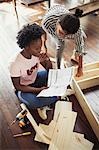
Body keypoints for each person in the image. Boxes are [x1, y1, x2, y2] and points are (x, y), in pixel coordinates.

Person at [9, 23, 58, 120]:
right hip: (23, 88)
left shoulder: (36, 54)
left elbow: (49, 70)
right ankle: (46, 101)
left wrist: (46, 61)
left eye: (40, 47)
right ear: (27, 47)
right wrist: (38, 90)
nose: (40, 50)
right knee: (32, 103)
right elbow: (18, 86)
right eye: (37, 48)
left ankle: (49, 98)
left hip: (35, 78)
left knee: (52, 75)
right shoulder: (14, 63)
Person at [42, 4, 87, 74]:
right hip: (55, 10)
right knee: (61, 45)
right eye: (61, 32)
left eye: (66, 35)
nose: (63, 37)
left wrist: (80, 67)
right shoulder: (48, 21)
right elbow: (43, 32)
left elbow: (80, 47)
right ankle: (58, 66)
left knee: (83, 37)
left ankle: (75, 56)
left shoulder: (78, 32)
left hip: (62, 16)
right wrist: (44, 46)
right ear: (58, 23)